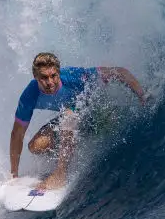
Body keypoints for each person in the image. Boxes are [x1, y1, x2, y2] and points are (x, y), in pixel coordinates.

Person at [9, 52, 146, 190]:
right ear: (36, 77)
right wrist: (14, 175)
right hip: (71, 122)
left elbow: (120, 72)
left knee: (69, 114)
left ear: (58, 73)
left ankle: (60, 174)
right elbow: (17, 134)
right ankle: (66, 152)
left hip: (97, 115)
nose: (50, 82)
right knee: (36, 146)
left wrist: (142, 95)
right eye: (44, 78)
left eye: (53, 76)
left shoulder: (74, 77)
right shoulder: (29, 96)